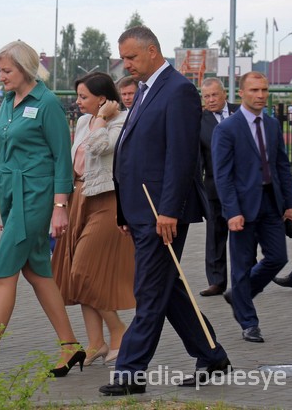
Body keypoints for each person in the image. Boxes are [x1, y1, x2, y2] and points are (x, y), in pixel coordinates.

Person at [99, 26, 230, 396]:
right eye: (123, 57)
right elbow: (132, 150)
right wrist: (125, 211)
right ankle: (211, 354)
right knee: (167, 288)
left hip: (162, 212)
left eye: (131, 57)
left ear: (152, 51)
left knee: (150, 291)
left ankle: (130, 373)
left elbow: (181, 157)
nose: (126, 64)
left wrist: (169, 210)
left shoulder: (179, 90)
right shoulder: (144, 90)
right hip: (141, 210)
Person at [0, 40, 85, 379]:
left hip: (37, 194)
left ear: (25, 69)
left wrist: (60, 206)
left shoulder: (46, 104)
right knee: (36, 271)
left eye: (6, 70)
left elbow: (63, 157)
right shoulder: (7, 102)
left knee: (3, 270)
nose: (0, 76)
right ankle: (70, 345)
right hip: (10, 191)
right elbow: (4, 153)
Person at [51, 72, 135, 367]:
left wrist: (101, 120)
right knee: (77, 273)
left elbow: (101, 147)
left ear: (102, 99)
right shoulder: (85, 121)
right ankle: (96, 342)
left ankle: (118, 330)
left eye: (83, 96)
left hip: (107, 201)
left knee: (83, 272)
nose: (78, 102)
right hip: (80, 199)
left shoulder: (122, 121)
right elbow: (76, 160)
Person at [213, 71, 292, 343]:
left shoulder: (272, 125)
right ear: (241, 93)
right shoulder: (227, 129)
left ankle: (239, 294)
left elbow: (282, 167)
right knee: (241, 265)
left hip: (271, 203)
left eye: (264, 90)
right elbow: (222, 175)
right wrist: (232, 210)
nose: (260, 95)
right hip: (241, 207)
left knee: (278, 257)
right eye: (254, 90)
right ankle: (249, 322)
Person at [198, 77, 238, 297]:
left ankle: (246, 277)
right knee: (215, 235)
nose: (211, 100)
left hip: (242, 186)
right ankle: (216, 281)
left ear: (224, 94)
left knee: (244, 234)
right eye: (206, 97)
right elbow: (198, 158)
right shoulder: (199, 121)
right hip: (214, 187)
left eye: (214, 95)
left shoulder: (240, 112)